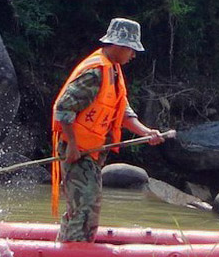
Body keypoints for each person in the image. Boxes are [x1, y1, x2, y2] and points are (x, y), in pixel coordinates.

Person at [51, 18, 166, 242]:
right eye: (131, 50)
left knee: (87, 207)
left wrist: (146, 132)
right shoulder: (95, 73)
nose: (133, 56)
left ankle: (70, 249)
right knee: (84, 208)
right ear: (119, 46)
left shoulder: (113, 70)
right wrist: (72, 147)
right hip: (76, 151)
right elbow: (63, 108)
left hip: (91, 153)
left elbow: (122, 111)